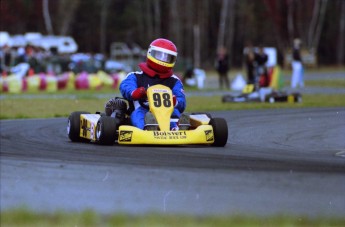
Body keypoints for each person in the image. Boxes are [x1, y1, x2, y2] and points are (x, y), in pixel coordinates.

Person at [105, 38, 187, 130]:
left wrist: (175, 101)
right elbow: (125, 86)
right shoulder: (136, 76)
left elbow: (182, 102)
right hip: (143, 109)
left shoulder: (174, 81)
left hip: (167, 112)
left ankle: (176, 128)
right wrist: (135, 92)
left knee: (175, 112)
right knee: (139, 114)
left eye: (167, 57)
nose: (163, 60)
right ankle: (147, 126)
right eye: (160, 55)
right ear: (151, 53)